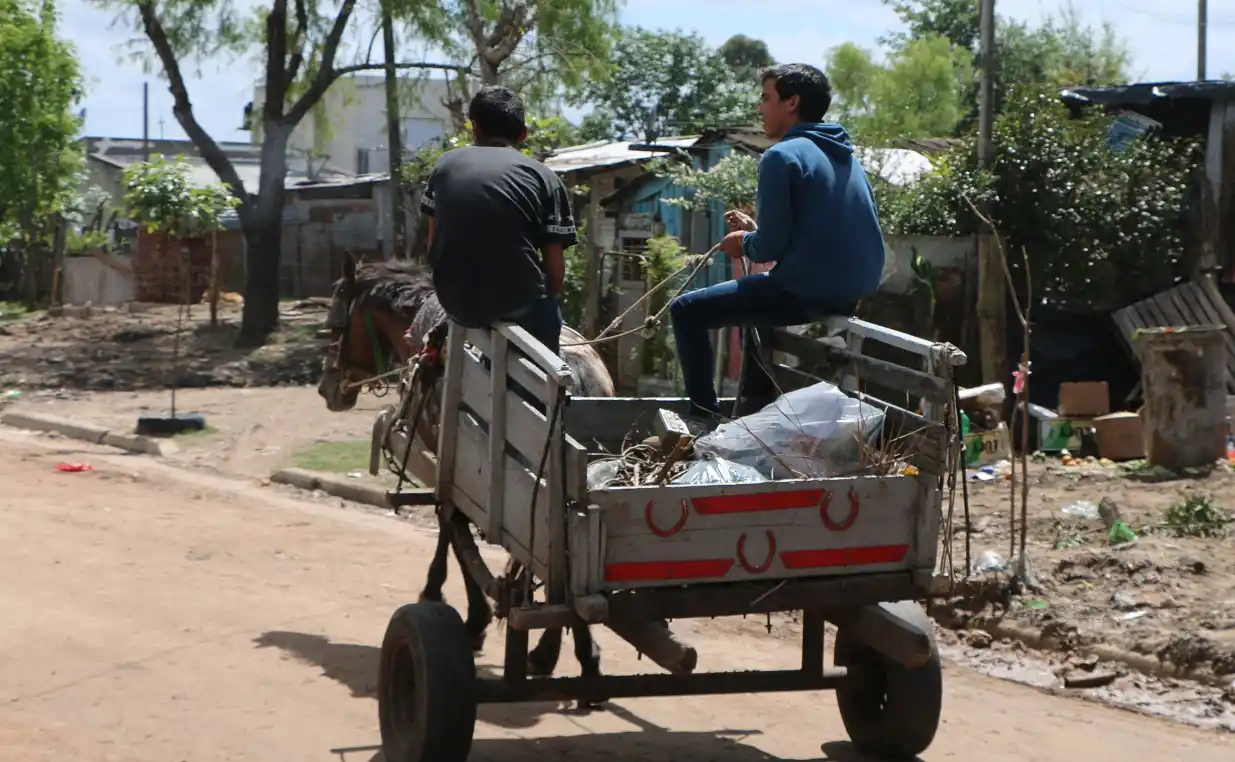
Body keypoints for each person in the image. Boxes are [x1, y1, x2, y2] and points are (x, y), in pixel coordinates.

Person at [668, 63, 887, 416]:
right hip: (854, 291)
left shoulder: (780, 157)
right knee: (759, 303)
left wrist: (742, 243)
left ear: (792, 102)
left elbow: (768, 247)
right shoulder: (847, 156)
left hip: (807, 291)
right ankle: (754, 400)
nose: (759, 108)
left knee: (685, 310)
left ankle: (702, 416)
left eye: (766, 98)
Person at [420, 85, 577, 355]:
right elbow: (555, 273)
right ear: (524, 133)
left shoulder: (444, 166)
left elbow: (434, 247)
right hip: (519, 304)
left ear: (474, 128)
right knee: (548, 316)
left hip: (455, 301)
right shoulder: (545, 177)